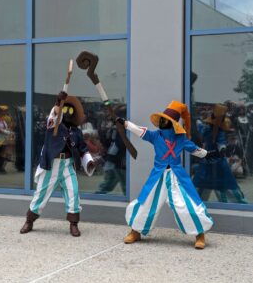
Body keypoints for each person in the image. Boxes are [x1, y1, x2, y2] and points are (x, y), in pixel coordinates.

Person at [117, 101, 214, 249]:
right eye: (161, 119)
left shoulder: (181, 139)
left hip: (176, 177)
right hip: (158, 176)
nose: (161, 122)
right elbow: (141, 131)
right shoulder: (155, 136)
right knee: (146, 203)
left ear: (172, 123)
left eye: (164, 120)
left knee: (186, 205)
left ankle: (199, 234)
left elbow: (195, 150)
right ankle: (136, 231)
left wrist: (208, 154)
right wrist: (126, 124)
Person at [20, 91, 95, 237]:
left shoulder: (77, 132)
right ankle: (29, 221)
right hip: (51, 165)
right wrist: (57, 103)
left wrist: (89, 161)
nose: (67, 112)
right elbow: (53, 116)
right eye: (65, 109)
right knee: (41, 194)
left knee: (73, 193)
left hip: (68, 165)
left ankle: (73, 224)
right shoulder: (53, 125)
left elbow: (83, 150)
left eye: (70, 110)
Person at [193, 104, 247, 204]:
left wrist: (222, 149)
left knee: (207, 186)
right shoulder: (210, 130)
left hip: (211, 163)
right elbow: (220, 143)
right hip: (214, 163)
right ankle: (240, 204)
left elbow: (220, 143)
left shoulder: (208, 129)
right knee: (220, 185)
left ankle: (196, 205)